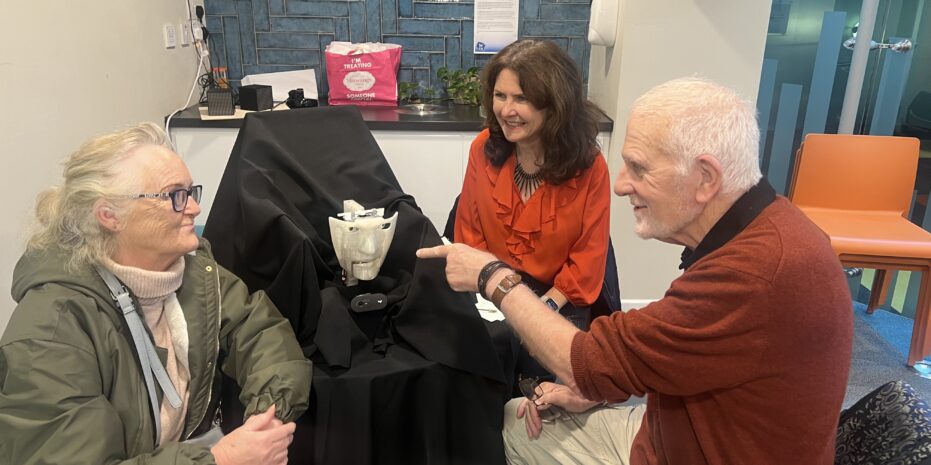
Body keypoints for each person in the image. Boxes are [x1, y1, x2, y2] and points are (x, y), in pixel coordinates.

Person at [418, 77, 853, 464]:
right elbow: (676, 355)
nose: (622, 183)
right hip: (668, 429)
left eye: (640, 168)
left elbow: (587, 359)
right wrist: (594, 390)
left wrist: (493, 276)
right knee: (516, 414)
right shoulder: (765, 230)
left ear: (705, 178)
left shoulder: (757, 273)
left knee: (498, 432)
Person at [0, 123, 312, 465]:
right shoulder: (51, 331)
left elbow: (262, 334)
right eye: (175, 195)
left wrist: (265, 420)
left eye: (192, 192)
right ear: (109, 216)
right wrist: (219, 460)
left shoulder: (189, 271)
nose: (193, 208)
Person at [454, 39, 611, 337]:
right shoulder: (482, 148)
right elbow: (469, 235)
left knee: (543, 375)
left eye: (521, 98)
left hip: (558, 299)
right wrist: (500, 292)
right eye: (500, 95)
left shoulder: (590, 165)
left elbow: (587, 261)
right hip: (491, 287)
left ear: (554, 105)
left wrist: (540, 308)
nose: (506, 110)